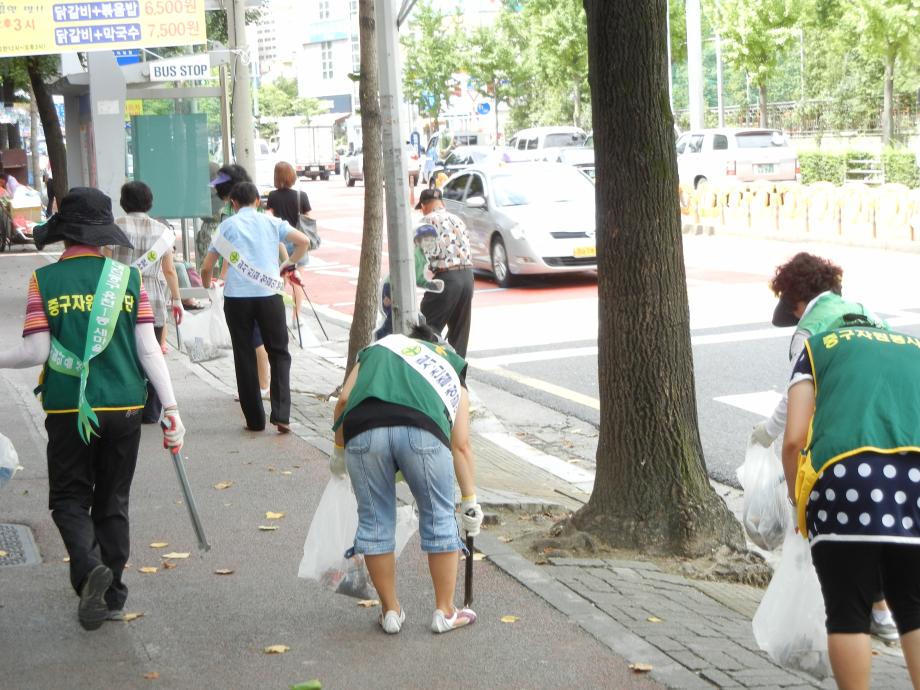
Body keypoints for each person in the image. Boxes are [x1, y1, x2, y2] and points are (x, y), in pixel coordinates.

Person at [0, 187, 184, 630]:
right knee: (113, 500)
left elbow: (36, 350)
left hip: (68, 410)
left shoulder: (45, 281)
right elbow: (148, 349)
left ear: (65, 234)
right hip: (124, 405)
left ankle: (87, 569)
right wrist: (171, 407)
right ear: (102, 234)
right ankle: (114, 593)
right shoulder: (128, 280)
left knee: (69, 497)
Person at [750, 253, 897, 642]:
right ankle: (882, 611)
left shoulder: (809, 330)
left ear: (796, 299)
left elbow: (796, 398)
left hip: (841, 433)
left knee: (836, 519)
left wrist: (768, 434)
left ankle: (860, 612)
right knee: (878, 514)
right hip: (890, 427)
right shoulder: (866, 313)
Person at [784, 322, 920, 689]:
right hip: (916, 488)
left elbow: (794, 438)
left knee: (847, 611)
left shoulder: (817, 348)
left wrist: (797, 500)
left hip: (842, 487)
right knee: (914, 608)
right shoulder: (915, 346)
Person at [332, 323, 484, 635]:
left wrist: (338, 451)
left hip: (363, 431)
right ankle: (444, 611)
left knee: (374, 521)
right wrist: (470, 502)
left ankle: (390, 611)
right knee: (439, 516)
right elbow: (461, 444)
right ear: (437, 346)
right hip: (423, 431)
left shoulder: (375, 351)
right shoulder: (450, 366)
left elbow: (345, 400)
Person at [200, 181, 309, 433]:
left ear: (233, 203)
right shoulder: (272, 222)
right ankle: (282, 415)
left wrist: (209, 288)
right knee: (279, 353)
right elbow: (303, 241)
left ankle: (255, 420)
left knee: (244, 354)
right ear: (258, 201)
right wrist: (288, 264)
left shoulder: (226, 226)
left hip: (237, 298)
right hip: (269, 294)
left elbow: (207, 267)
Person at [108, 181, 184, 421]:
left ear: (124, 202)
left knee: (124, 351)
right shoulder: (162, 231)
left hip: (120, 295)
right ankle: (151, 411)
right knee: (152, 353)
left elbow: (106, 262)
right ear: (149, 201)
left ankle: (127, 406)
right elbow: (169, 270)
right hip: (152, 297)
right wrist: (177, 299)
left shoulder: (114, 227)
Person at [416, 188, 474, 357]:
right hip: (467, 278)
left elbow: (424, 255)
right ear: (442, 203)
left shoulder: (426, 221)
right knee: (459, 333)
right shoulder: (457, 219)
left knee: (425, 329)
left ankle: (430, 373)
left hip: (447, 279)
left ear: (424, 206)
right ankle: (459, 378)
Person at [375, 224, 444, 340]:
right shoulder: (415, 256)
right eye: (426, 240)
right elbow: (400, 275)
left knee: (405, 318)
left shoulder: (421, 257)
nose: (430, 243)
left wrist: (431, 285)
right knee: (393, 319)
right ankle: (380, 338)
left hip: (401, 288)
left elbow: (418, 279)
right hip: (393, 288)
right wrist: (388, 295)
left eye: (432, 240)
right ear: (417, 241)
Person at [265, 161, 313, 326]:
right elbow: (310, 219)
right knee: (296, 281)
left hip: (279, 243)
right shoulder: (301, 196)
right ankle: (296, 317)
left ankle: (278, 318)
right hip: (298, 242)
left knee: (280, 281)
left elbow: (268, 217)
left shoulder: (272, 196)